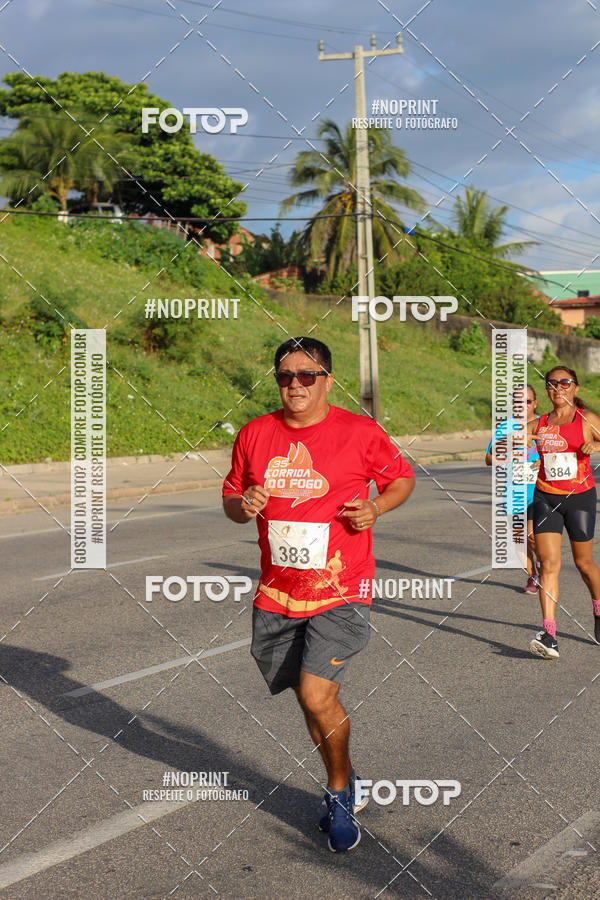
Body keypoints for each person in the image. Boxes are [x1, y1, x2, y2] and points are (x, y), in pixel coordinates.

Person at [222, 336, 415, 852]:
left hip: (342, 586)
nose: (295, 385)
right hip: (278, 593)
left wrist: (376, 508)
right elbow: (232, 501)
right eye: (285, 376)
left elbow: (401, 479)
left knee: (316, 694)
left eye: (306, 375)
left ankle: (337, 794)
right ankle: (347, 776)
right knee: (308, 702)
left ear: (327, 379)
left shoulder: (360, 431)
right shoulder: (255, 434)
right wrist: (246, 504)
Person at [529, 365, 600, 659]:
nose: (557, 387)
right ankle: (549, 634)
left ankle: (598, 606)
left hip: (580, 498)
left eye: (564, 382)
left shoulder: (587, 419)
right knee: (548, 563)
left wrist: (595, 444)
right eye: (552, 383)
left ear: (575, 387)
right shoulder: (540, 423)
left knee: (584, 564)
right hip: (546, 496)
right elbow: (509, 442)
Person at [485, 384, 540, 591]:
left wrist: (540, 463)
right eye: (517, 401)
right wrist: (506, 456)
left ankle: (544, 568)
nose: (521, 405)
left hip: (538, 491)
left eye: (526, 401)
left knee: (531, 535)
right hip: (513, 491)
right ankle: (533, 577)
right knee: (519, 539)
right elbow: (488, 458)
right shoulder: (505, 427)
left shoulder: (543, 425)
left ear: (534, 403)